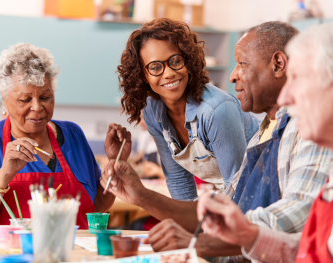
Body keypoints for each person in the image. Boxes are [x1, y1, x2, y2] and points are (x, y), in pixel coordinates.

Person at [102, 21, 333, 258]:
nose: (232, 76)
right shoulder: (264, 133)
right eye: (155, 67)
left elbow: (290, 220)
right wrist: (143, 196)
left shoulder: (303, 130)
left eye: (242, 63)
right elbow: (233, 209)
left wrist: (202, 243)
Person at [197, 21, 333, 263]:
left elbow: (300, 212)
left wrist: (223, 240)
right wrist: (246, 235)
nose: (287, 96)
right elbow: (309, 250)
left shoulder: (307, 131)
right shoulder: (260, 135)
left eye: (298, 79)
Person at [111, 18, 260, 201]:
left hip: (263, 193)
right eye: (156, 67)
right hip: (238, 196)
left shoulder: (216, 110)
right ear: (142, 75)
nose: (169, 73)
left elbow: (238, 187)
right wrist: (186, 228)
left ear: (188, 61)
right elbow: (178, 180)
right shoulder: (152, 111)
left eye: (175, 61)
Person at [0, 43, 115, 228]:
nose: (37, 107)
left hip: (75, 254)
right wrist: (3, 176)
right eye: (25, 99)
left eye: (45, 97)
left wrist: (115, 163)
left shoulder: (73, 135)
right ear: (4, 98)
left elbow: (97, 205)